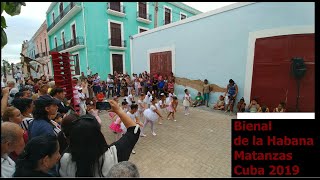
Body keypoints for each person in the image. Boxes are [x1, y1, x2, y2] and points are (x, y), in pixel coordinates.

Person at [58, 100, 140, 177]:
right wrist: (119, 110)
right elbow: (134, 131)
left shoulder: (65, 160)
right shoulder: (113, 154)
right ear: (99, 134)